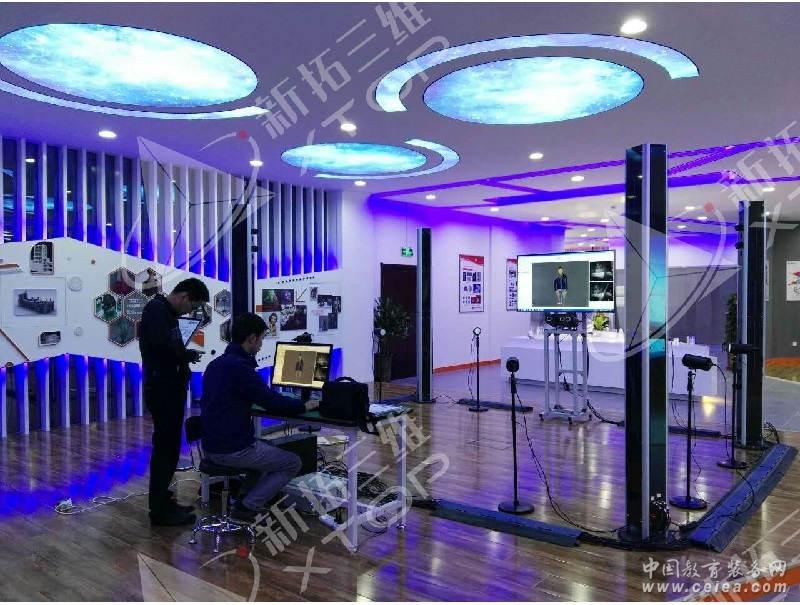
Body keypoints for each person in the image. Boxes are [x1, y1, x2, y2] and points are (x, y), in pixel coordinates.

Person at [201, 313, 318, 522]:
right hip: (232, 449)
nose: (262, 344)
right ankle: (247, 506)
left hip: (210, 446)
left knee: (264, 446)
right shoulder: (240, 368)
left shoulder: (215, 365)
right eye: (262, 338)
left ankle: (244, 498)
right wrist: (302, 406)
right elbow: (270, 401)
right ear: (252, 339)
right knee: (293, 462)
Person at [139, 278, 209, 526]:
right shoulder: (157, 310)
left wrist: (184, 355)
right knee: (165, 449)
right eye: (192, 306)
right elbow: (162, 348)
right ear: (185, 296)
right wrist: (183, 354)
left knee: (169, 448)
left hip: (169, 389)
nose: (189, 312)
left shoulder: (165, 313)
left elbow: (169, 348)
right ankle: (159, 510)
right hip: (163, 390)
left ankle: (164, 501)